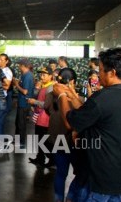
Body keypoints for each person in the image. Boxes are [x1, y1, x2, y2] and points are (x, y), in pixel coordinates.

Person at [55, 48, 121, 201]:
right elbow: (88, 112)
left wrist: (61, 95)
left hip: (101, 183)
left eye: (100, 70)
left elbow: (70, 123)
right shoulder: (110, 98)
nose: (98, 74)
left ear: (112, 72)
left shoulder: (104, 97)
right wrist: (73, 96)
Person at [48, 68, 79, 202]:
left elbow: (47, 109)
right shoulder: (76, 100)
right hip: (72, 142)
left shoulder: (51, 95)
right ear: (72, 81)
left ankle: (58, 199)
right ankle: (70, 197)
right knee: (81, 173)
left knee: (60, 174)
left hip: (56, 140)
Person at [27, 66, 55, 167]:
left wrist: (35, 102)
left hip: (45, 118)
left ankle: (52, 160)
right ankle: (40, 158)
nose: (41, 77)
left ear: (51, 76)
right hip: (40, 116)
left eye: (44, 75)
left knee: (44, 140)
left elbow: (47, 104)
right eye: (41, 75)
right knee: (40, 139)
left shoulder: (51, 88)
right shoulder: (44, 85)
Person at [13, 58, 34, 147]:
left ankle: (21, 142)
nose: (18, 67)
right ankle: (18, 139)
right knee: (18, 122)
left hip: (25, 103)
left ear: (23, 66)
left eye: (19, 65)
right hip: (22, 102)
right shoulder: (24, 75)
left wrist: (16, 85)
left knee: (21, 123)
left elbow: (25, 91)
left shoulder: (28, 76)